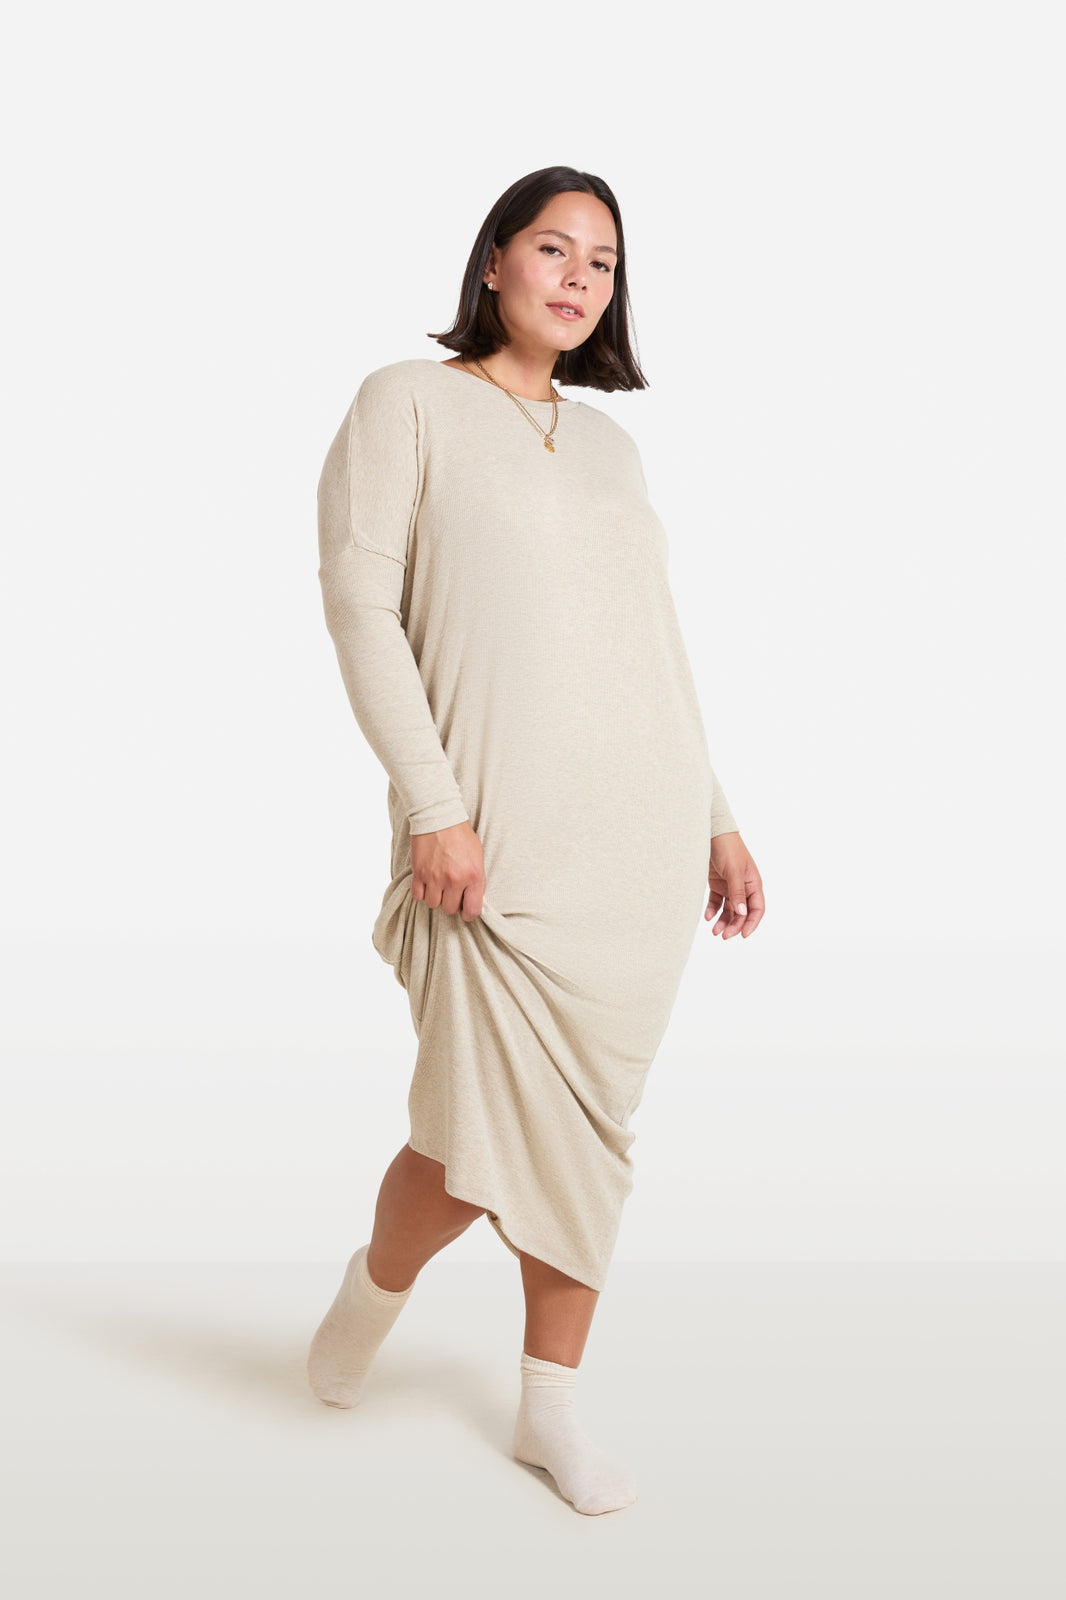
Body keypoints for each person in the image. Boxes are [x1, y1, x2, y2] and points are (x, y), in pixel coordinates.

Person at [308, 165, 765, 1516]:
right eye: (554, 249)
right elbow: (358, 606)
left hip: (636, 836)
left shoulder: (612, 446)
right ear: (494, 260)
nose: (579, 278)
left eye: (603, 263)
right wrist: (432, 805)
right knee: (471, 1133)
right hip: (491, 836)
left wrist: (717, 816)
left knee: (588, 1132)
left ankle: (547, 1406)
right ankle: (373, 1289)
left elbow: (649, 648)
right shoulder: (405, 400)